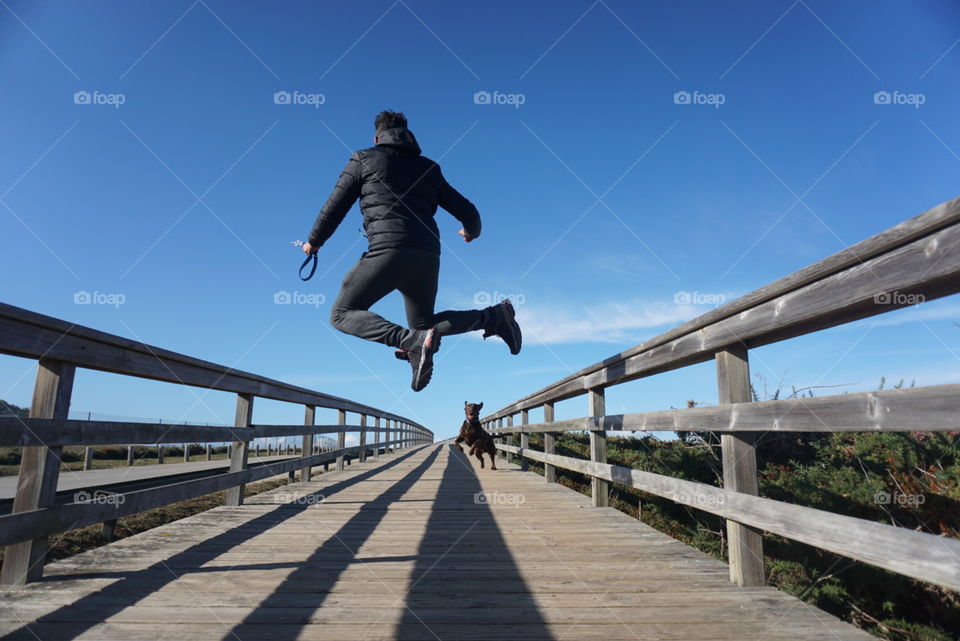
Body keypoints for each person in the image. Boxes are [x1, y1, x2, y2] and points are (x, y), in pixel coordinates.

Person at [302, 110, 521, 391]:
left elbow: (335, 206)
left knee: (342, 314)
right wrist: (471, 230)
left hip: (389, 250)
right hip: (428, 256)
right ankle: (494, 316)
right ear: (408, 136)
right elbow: (469, 211)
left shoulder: (363, 158)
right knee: (425, 324)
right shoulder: (429, 168)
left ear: (376, 137)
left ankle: (411, 342)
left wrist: (314, 241)